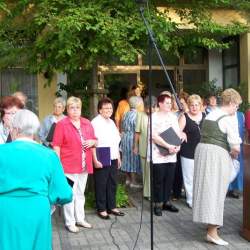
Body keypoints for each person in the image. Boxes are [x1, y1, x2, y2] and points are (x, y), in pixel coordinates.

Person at [0, 109, 72, 250]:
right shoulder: (49, 155)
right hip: (37, 210)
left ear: (15, 129)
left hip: (5, 212)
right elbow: (64, 194)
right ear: (34, 131)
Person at [193, 88, 242, 246]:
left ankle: (210, 225)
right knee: (216, 191)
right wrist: (234, 155)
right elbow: (236, 146)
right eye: (237, 106)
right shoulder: (228, 118)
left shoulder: (211, 114)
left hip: (203, 151)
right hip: (216, 155)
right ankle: (212, 233)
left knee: (208, 190)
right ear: (231, 103)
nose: (237, 109)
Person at [53, 96, 97, 233]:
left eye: (78, 108)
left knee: (80, 193)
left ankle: (80, 219)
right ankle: (70, 222)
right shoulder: (62, 124)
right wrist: (58, 165)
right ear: (67, 109)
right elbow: (56, 146)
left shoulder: (87, 123)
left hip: (84, 166)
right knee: (69, 194)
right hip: (68, 167)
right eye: (72, 108)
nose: (75, 111)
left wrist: (93, 142)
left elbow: (95, 140)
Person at [91, 97, 125, 219]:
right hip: (102, 154)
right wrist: (95, 159)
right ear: (100, 110)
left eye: (110, 108)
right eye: (105, 108)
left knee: (112, 183)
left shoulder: (111, 122)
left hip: (113, 155)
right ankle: (101, 209)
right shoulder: (95, 122)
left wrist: (118, 157)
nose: (108, 110)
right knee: (101, 183)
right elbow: (93, 143)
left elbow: (115, 141)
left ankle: (112, 206)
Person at [151, 93, 181, 216]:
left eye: (170, 103)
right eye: (167, 103)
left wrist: (178, 146)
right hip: (158, 153)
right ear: (160, 103)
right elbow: (153, 135)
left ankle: (166, 202)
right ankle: (158, 203)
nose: (170, 105)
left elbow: (177, 132)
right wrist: (167, 146)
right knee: (159, 179)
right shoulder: (153, 117)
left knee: (169, 179)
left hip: (172, 153)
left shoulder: (173, 116)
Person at [178, 94, 205, 208]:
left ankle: (200, 198)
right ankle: (191, 199)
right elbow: (176, 132)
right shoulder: (184, 117)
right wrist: (182, 133)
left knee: (201, 176)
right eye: (192, 105)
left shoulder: (205, 115)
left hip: (203, 152)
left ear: (200, 106)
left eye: (196, 105)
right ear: (188, 106)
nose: (194, 107)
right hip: (188, 151)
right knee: (189, 177)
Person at [134, 95, 157, 199]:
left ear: (155, 106)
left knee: (156, 171)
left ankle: (156, 191)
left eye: (151, 107)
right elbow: (137, 132)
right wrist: (135, 146)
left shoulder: (159, 115)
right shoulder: (140, 114)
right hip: (144, 146)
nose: (148, 110)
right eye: (147, 107)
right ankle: (148, 193)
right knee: (146, 172)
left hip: (157, 148)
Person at [120, 96, 143, 188]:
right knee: (133, 159)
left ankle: (128, 179)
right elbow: (137, 129)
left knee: (126, 158)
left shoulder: (126, 114)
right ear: (138, 104)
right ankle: (134, 182)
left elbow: (122, 125)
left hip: (125, 138)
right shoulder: (137, 115)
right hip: (133, 138)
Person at [228, 110, 245, 198]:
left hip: (239, 144)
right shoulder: (224, 114)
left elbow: (244, 128)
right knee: (227, 167)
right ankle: (227, 188)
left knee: (237, 167)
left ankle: (235, 189)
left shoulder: (240, 115)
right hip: (227, 144)